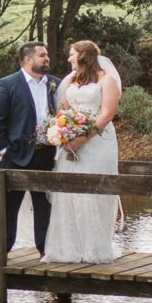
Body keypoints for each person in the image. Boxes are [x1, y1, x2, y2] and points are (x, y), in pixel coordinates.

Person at [46, 39, 122, 264]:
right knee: (68, 192)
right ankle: (69, 248)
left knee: (93, 194)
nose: (69, 59)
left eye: (72, 54)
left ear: (84, 55)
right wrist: (64, 132)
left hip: (98, 142)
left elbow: (107, 115)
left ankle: (95, 248)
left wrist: (82, 138)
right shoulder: (70, 80)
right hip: (72, 142)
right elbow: (63, 111)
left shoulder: (106, 80)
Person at [0, 41, 58, 255]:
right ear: (28, 59)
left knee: (44, 207)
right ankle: (2, 253)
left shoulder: (55, 84)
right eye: (42, 55)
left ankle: (45, 250)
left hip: (46, 155)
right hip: (16, 156)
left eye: (47, 55)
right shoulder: (7, 84)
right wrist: (4, 150)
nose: (47, 58)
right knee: (9, 209)